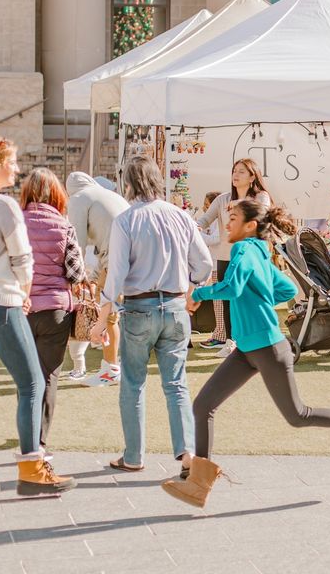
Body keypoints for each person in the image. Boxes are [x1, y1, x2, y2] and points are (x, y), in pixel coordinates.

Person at [162, 199, 330, 508]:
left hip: (267, 348)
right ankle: (199, 484)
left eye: (233, 219)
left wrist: (199, 293)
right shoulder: (258, 251)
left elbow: (234, 286)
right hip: (248, 348)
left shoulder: (244, 250)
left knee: (298, 416)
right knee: (203, 406)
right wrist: (259, 300)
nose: (226, 224)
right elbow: (284, 290)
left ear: (250, 225)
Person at [0, 136, 76, 501]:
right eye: (12, 163)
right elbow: (24, 261)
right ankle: (32, 468)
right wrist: (23, 294)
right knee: (33, 383)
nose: (17, 169)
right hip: (1, 302)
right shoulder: (5, 207)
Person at [93, 155, 213, 473]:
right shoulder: (181, 216)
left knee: (133, 383)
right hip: (175, 307)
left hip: (138, 308)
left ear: (129, 184)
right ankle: (187, 455)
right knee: (176, 384)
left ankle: (133, 455)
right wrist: (193, 287)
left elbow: (116, 274)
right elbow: (204, 265)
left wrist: (102, 315)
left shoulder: (127, 220)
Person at [20, 168, 87, 451]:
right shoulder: (63, 224)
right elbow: (76, 272)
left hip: (20, 309)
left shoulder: (16, 222)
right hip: (56, 310)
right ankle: (39, 441)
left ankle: (25, 436)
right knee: (48, 376)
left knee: (26, 376)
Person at [197, 159, 272, 357]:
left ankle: (260, 338)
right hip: (225, 256)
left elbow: (262, 213)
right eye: (234, 171)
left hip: (250, 256)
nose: (236, 175)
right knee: (228, 300)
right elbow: (205, 220)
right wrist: (193, 228)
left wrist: (239, 204)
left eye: (241, 171)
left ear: (252, 176)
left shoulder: (261, 196)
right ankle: (232, 342)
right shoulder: (222, 199)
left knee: (251, 299)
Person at [66, 171, 129, 386]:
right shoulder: (110, 195)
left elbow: (77, 244)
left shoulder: (78, 198)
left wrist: (77, 278)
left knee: (108, 313)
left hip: (115, 260)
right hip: (134, 256)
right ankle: (115, 367)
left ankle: (111, 370)